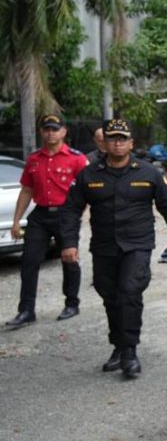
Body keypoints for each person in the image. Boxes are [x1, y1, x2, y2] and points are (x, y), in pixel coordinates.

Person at [59, 119, 167, 378]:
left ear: (131, 143)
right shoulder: (89, 174)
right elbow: (71, 209)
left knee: (129, 292)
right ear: (104, 142)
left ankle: (129, 352)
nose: (117, 143)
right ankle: (118, 346)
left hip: (137, 245)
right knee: (110, 296)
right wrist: (69, 243)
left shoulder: (148, 173)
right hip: (104, 247)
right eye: (113, 138)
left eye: (123, 138)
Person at [5, 114, 88, 329]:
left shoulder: (76, 159)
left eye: (55, 129)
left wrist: (81, 215)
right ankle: (26, 310)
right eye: (47, 129)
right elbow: (26, 191)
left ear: (63, 131)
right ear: (42, 132)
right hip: (40, 215)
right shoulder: (34, 159)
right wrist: (16, 221)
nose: (50, 133)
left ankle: (71, 303)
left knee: (69, 259)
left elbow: (87, 190)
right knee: (29, 262)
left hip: (66, 215)